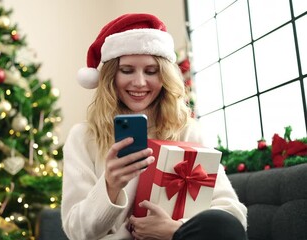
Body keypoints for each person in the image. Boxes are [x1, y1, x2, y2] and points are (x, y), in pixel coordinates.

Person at [61, 13, 247, 240]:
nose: (139, 82)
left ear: (164, 76)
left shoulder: (186, 130)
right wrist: (109, 186)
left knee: (223, 225)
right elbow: (76, 232)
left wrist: (176, 230)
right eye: (127, 70)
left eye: (151, 71)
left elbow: (232, 216)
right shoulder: (83, 137)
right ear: (110, 77)